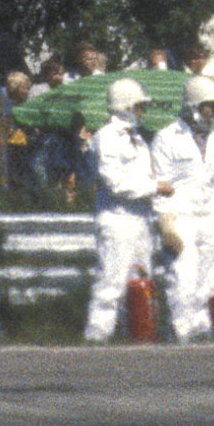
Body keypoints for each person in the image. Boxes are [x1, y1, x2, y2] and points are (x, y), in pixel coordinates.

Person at [154, 70, 214, 340]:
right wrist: (166, 226)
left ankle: (203, 338)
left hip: (208, 220)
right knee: (182, 279)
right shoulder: (166, 137)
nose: (212, 111)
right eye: (207, 106)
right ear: (193, 106)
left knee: (211, 279)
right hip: (180, 218)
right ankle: (181, 335)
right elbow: (158, 185)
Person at [81, 74, 164, 341]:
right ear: (126, 106)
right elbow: (115, 183)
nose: (143, 111)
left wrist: (156, 185)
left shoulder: (139, 140)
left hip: (141, 218)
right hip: (117, 217)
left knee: (141, 281)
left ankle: (138, 336)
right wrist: (155, 187)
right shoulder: (106, 137)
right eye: (140, 106)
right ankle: (97, 336)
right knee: (112, 281)